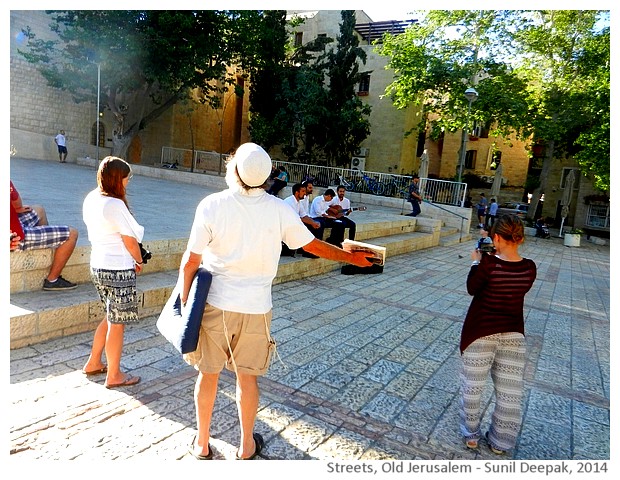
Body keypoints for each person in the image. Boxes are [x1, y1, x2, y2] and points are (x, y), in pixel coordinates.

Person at [178, 143, 373, 460]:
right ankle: (246, 445)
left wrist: (185, 300)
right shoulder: (279, 209)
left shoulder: (211, 205)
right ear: (267, 176)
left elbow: (190, 262)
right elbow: (312, 246)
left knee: (208, 374)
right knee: (247, 378)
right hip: (256, 308)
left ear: (234, 170)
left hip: (214, 305)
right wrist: (350, 256)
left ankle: (201, 443)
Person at [459, 215, 537, 455]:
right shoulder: (529, 268)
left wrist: (475, 262)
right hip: (514, 335)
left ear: (496, 237)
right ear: (520, 238)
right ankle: (501, 442)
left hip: (480, 333)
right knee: (510, 393)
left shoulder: (489, 264)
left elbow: (472, 288)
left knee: (473, 388)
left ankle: (471, 435)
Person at [81, 156, 145, 388]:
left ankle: (94, 362)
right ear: (118, 179)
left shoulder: (92, 198)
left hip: (98, 265)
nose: (127, 183)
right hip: (118, 268)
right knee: (117, 323)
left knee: (110, 316)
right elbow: (129, 240)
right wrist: (139, 260)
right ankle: (114, 374)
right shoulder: (114, 204)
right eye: (126, 179)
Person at [10, 180, 78, 290]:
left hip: (14, 226)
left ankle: (48, 247)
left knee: (39, 210)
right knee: (72, 234)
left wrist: (16, 209)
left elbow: (16, 203)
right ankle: (52, 280)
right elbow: (16, 202)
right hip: (15, 238)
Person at [282, 183, 321, 256]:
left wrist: (313, 222)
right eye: (303, 191)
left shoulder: (298, 202)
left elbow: (304, 215)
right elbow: (296, 218)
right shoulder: (289, 202)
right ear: (297, 192)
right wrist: (312, 223)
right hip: (286, 226)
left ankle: (311, 250)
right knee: (306, 227)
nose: (305, 193)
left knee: (315, 226)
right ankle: (307, 251)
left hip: (294, 223)